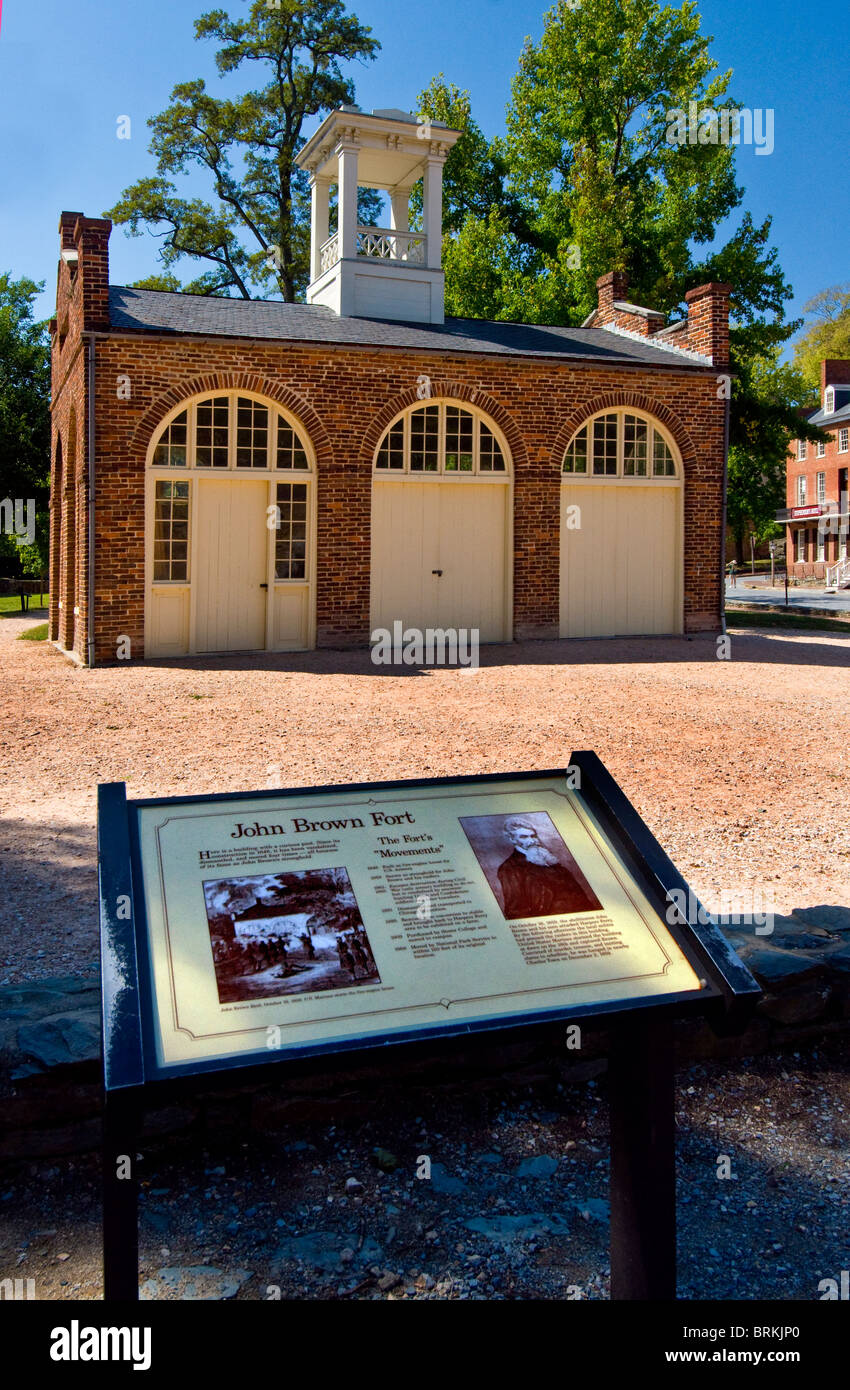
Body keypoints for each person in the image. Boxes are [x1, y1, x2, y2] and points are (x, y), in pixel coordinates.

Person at [496, 817, 600, 920]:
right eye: (524, 837)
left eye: (533, 836)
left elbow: (578, 894)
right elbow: (516, 911)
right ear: (512, 839)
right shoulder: (509, 868)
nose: (532, 841)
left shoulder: (550, 860)